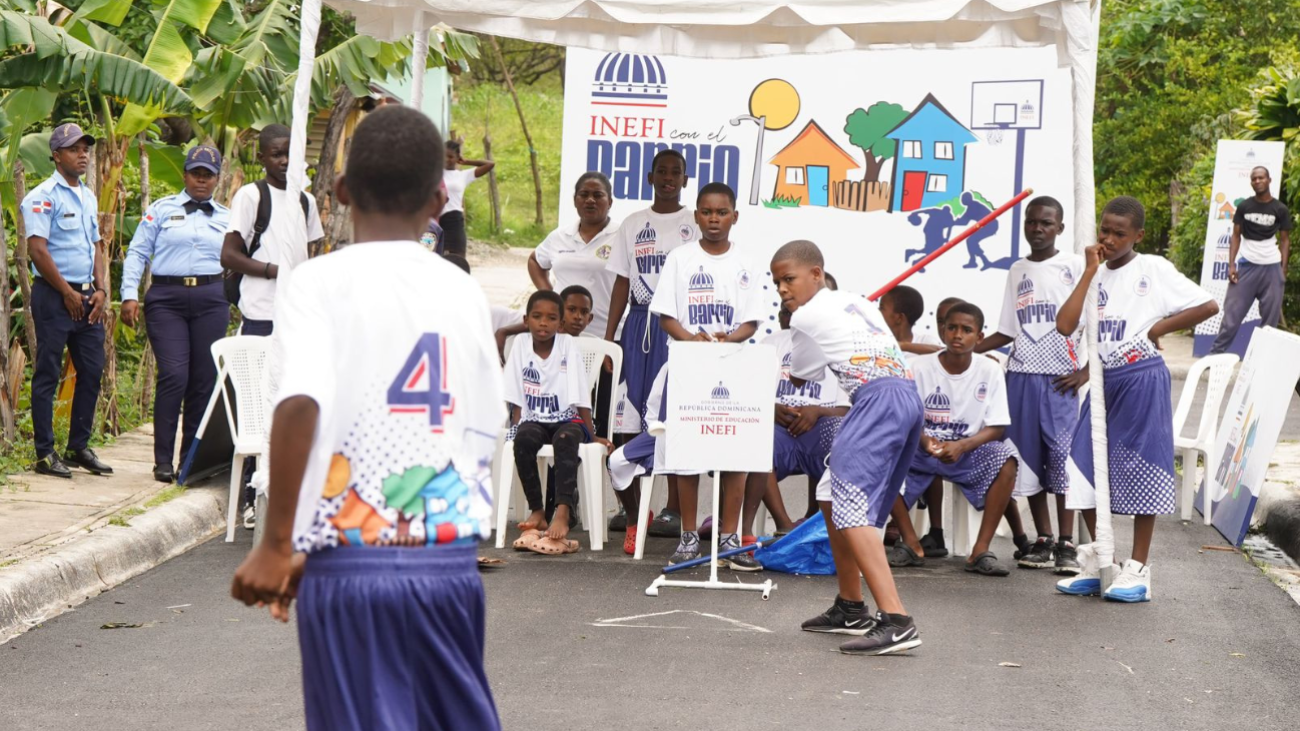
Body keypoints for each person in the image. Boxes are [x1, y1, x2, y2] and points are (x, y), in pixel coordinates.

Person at [230, 105, 503, 730]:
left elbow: (300, 403)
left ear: (342, 191)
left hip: (347, 567)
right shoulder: (461, 290)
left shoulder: (316, 282)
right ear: (440, 198)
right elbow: (485, 423)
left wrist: (278, 545)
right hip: (446, 563)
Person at [1055, 196, 1218, 602]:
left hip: (1142, 377)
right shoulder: (1093, 272)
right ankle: (1102, 559)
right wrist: (1090, 270)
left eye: (1119, 233)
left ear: (1138, 236)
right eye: (1104, 230)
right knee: (1082, 465)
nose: (1108, 239)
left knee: (1142, 464)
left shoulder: (1152, 269)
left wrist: (1154, 330)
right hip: (1103, 380)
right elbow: (1064, 325)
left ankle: (1139, 569)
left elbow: (1208, 305)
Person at [772, 240, 924, 656]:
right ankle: (851, 605)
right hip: (905, 397)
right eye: (777, 283)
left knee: (852, 505)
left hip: (878, 400)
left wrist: (800, 334)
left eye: (789, 279)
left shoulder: (804, 316)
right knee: (829, 493)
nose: (783, 289)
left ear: (816, 274)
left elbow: (802, 374)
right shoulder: (857, 302)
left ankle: (896, 620)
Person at [650, 182, 763, 567]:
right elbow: (667, 315)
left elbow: (751, 322)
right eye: (707, 212)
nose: (714, 219)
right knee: (687, 455)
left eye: (722, 212)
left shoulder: (746, 261)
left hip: (734, 366)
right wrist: (692, 342)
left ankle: (729, 538)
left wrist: (728, 340)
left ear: (735, 216)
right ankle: (688, 536)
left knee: (736, 451)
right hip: (688, 364)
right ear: (696, 215)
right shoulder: (680, 258)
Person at [975, 195, 1087, 573]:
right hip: (1020, 378)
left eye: (1046, 223)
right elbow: (1008, 330)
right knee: (1029, 460)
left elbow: (1098, 325)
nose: (1037, 229)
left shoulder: (1075, 266)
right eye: (1031, 222)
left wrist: (1085, 372)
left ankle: (1068, 543)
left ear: (1059, 228)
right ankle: (1043, 539)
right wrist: (965, 349)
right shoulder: (1017, 270)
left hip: (1060, 382)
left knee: (1062, 458)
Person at [121, 145, 231, 483]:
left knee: (203, 380)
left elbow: (241, 257)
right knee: (174, 375)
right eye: (196, 172)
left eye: (208, 174)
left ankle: (190, 461)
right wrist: (128, 295)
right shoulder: (161, 210)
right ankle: (163, 461)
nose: (201, 179)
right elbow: (138, 251)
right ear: (184, 175)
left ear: (216, 179)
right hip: (166, 298)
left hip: (211, 298)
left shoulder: (229, 216)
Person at [605, 148, 699, 538]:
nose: (668, 178)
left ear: (684, 180)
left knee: (672, 412)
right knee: (632, 411)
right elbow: (623, 282)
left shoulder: (694, 222)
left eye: (675, 172)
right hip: (639, 323)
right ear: (650, 177)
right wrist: (609, 338)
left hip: (676, 326)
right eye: (661, 171)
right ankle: (637, 505)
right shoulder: (632, 224)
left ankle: (674, 509)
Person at [888, 303, 1020, 576]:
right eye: (952, 328)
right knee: (883, 453)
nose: (958, 335)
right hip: (922, 448)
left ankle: (980, 550)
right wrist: (925, 441)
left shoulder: (990, 369)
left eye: (967, 330)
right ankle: (911, 542)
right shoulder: (917, 367)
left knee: (1006, 461)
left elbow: (997, 427)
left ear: (979, 337)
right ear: (943, 331)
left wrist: (962, 446)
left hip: (967, 451)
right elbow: (905, 417)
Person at [22, 123, 112, 479]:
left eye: (85, 148)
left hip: (87, 297)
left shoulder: (87, 196)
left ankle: (79, 446)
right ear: (56, 156)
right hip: (54, 296)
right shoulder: (42, 197)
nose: (83, 154)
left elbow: (95, 246)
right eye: (74, 149)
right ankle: (45, 453)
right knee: (47, 372)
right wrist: (67, 292)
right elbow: (38, 251)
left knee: (91, 369)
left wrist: (100, 289)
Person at [504, 290, 608, 554]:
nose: (543, 323)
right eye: (537, 317)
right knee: (523, 440)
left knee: (566, 440)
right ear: (526, 319)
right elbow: (515, 394)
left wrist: (592, 434)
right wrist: (514, 428)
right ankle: (537, 510)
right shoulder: (519, 344)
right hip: (534, 419)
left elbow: (579, 392)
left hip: (567, 418)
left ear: (560, 323)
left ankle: (562, 511)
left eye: (551, 318)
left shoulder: (567, 345)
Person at [743, 306, 851, 537]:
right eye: (785, 311)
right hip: (777, 428)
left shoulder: (842, 348)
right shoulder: (770, 343)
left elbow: (847, 409)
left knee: (844, 441)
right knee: (757, 441)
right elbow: (749, 396)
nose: (789, 316)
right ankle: (784, 525)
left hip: (819, 427)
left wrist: (818, 411)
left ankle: (820, 520)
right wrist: (769, 409)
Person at [221, 124, 325, 338]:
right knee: (256, 370)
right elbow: (228, 256)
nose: (285, 161)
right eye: (277, 155)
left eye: (290, 154)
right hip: (261, 312)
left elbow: (308, 255)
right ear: (261, 158)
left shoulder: (307, 201)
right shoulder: (251, 195)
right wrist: (275, 270)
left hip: (296, 311)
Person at [1210, 166, 1292, 354]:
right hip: (1247, 266)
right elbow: (1236, 236)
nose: (1257, 181)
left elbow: (1285, 240)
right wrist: (1231, 265)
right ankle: (1214, 356)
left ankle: (1262, 360)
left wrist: (1283, 269)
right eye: (1254, 179)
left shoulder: (1280, 209)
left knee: (1269, 323)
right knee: (1232, 316)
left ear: (1269, 180)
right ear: (1251, 182)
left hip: (1271, 268)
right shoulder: (1245, 206)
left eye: (1261, 178)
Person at [438, 140, 494, 257]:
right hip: (436, 221)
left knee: (457, 260)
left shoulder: (463, 175)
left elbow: (490, 164)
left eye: (450, 156)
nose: (446, 159)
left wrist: (467, 161)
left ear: (458, 157)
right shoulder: (434, 173)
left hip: (454, 223)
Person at [880, 285, 942, 356]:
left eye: (881, 308)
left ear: (899, 318)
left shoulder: (925, 341)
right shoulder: (876, 342)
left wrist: (900, 345)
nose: (877, 312)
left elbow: (942, 352)